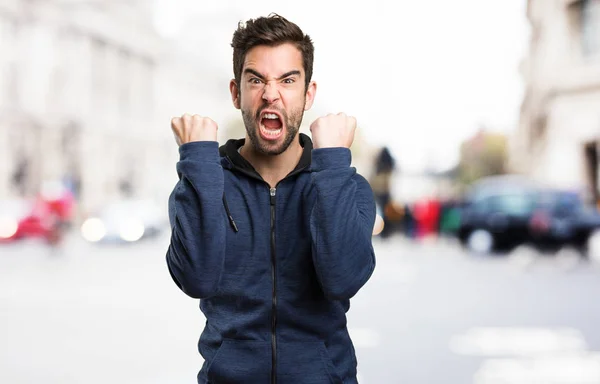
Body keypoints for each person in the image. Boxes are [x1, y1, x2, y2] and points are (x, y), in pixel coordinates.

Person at [166, 13, 376, 384]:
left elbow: (343, 279)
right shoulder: (204, 181)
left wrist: (332, 165)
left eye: (288, 80)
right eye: (256, 79)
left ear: (308, 94)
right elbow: (196, 279)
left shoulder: (342, 184)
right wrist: (197, 158)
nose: (270, 93)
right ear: (236, 92)